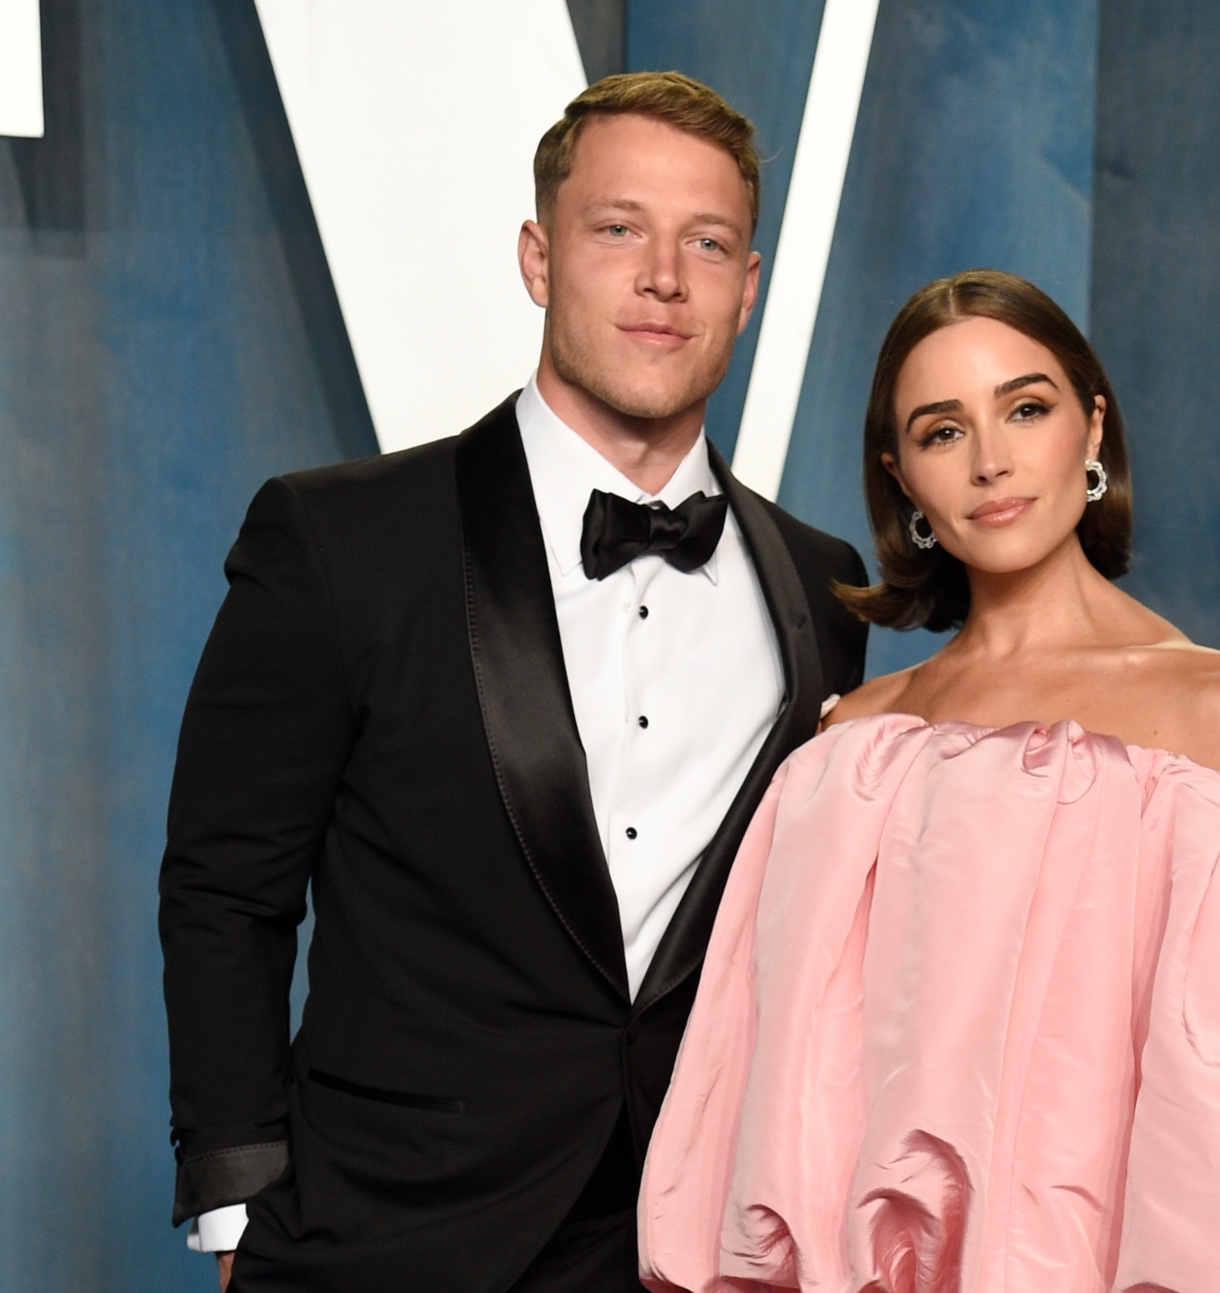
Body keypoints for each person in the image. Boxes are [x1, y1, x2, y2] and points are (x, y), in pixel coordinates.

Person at [638, 270, 1220, 1292]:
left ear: (1092, 428)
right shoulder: (849, 748)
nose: (993, 461)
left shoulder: (1207, 717)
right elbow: (782, 1105)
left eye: (1026, 408)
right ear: (901, 476)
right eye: (943, 430)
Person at [158, 72, 867, 1293]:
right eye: (617, 229)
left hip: (688, 1243)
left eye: (707, 242)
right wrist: (237, 1213)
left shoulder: (822, 582)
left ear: (747, 289)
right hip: (385, 1239)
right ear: (539, 258)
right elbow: (226, 888)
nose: (663, 277)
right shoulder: (341, 540)